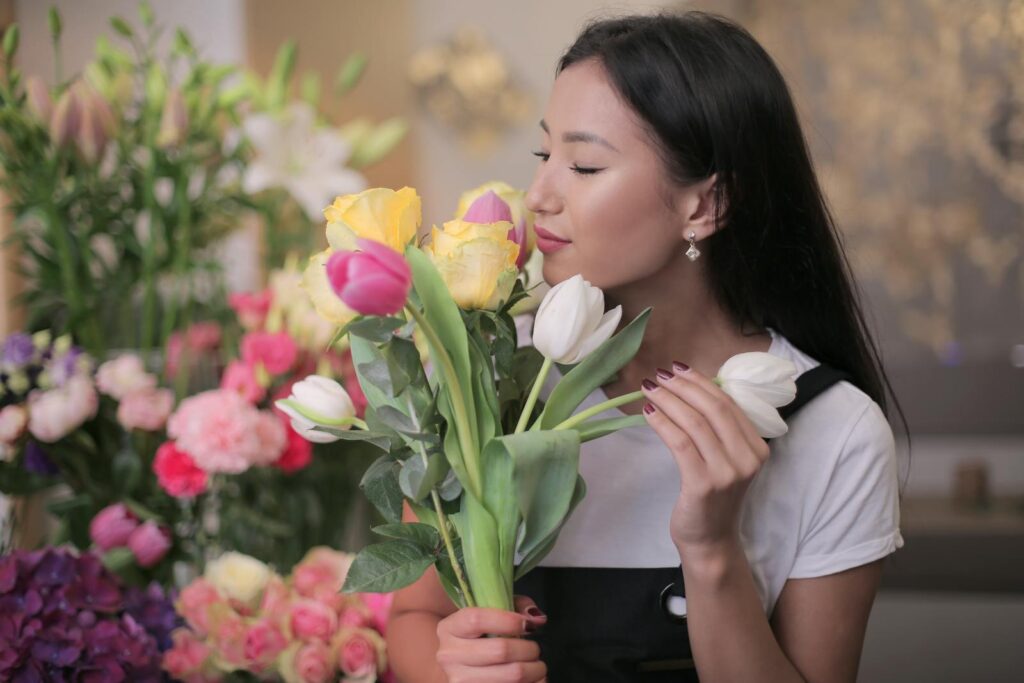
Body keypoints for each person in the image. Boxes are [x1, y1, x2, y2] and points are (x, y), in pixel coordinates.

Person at [386, 11, 904, 683]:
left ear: (704, 206)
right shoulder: (475, 375)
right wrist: (454, 664)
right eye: (544, 156)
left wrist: (712, 547)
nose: (538, 195)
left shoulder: (835, 432)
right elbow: (412, 619)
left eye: (585, 163)